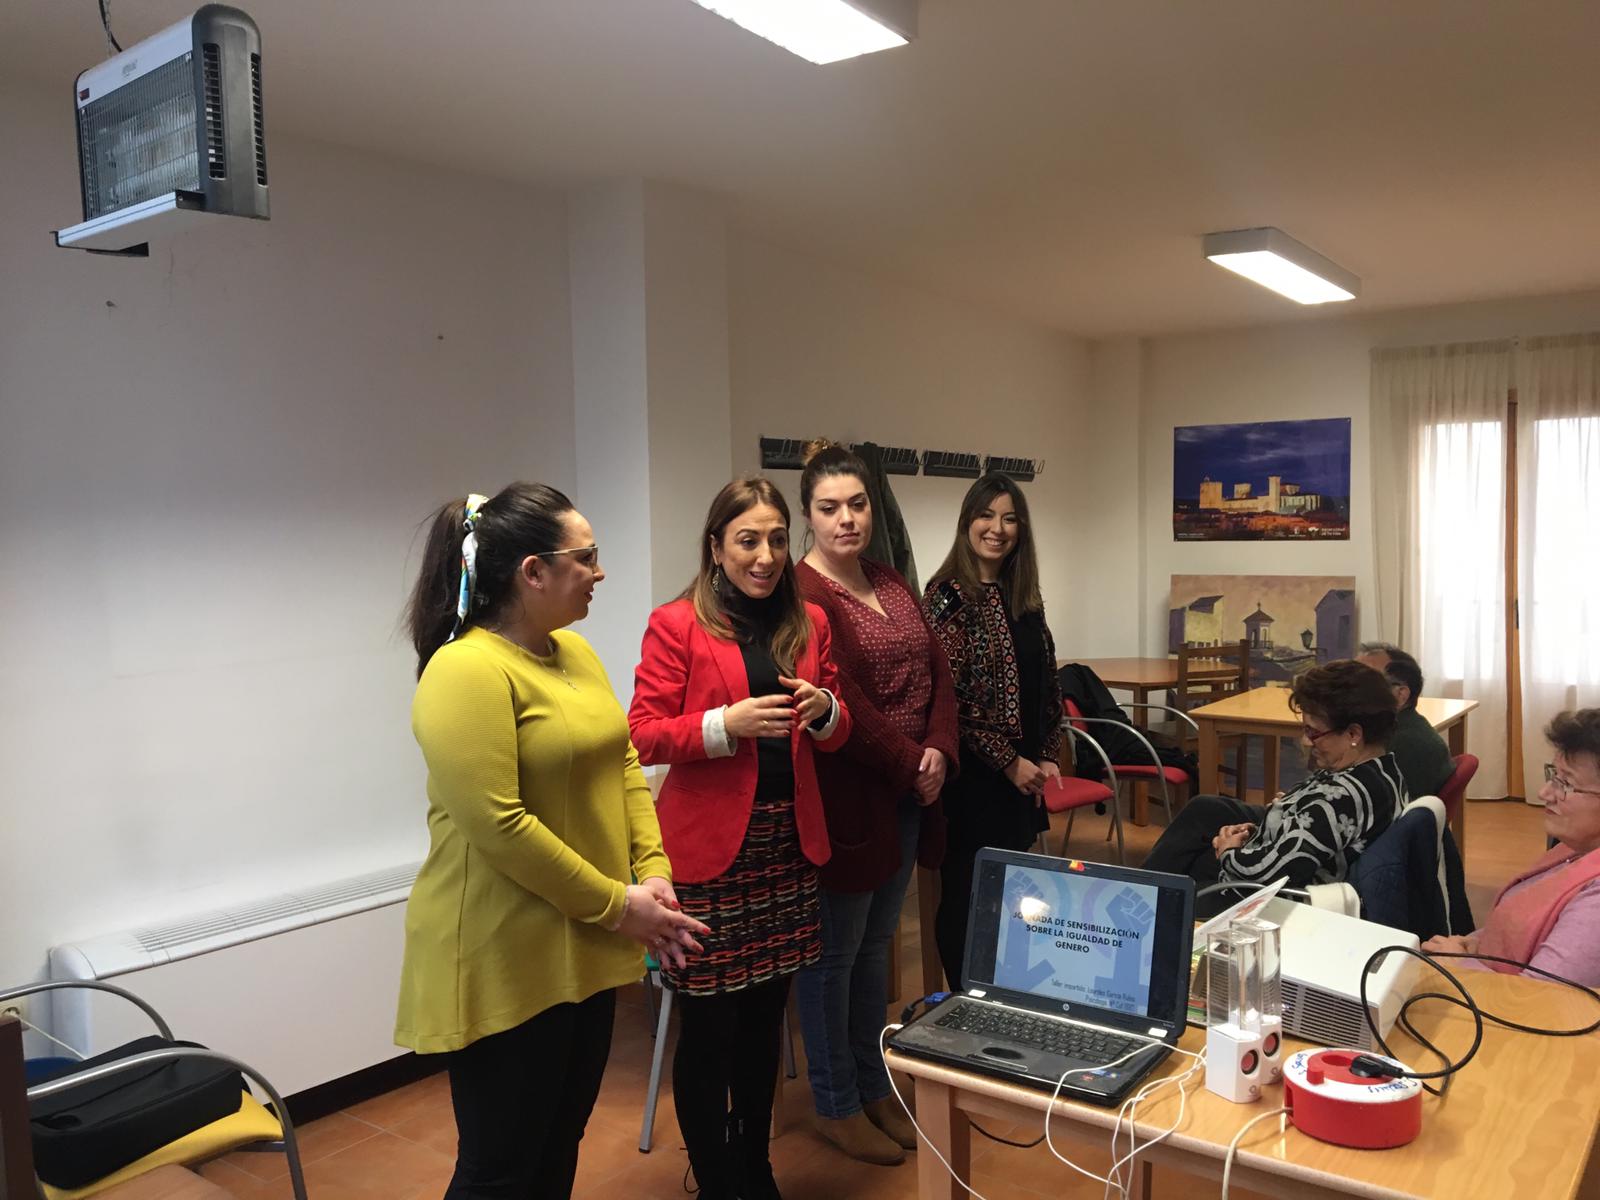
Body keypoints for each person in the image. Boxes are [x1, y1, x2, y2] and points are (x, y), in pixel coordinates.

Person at [396, 484, 708, 1200]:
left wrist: (652, 870)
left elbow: (622, 761)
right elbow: (500, 827)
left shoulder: (575, 653)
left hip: (583, 941)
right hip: (504, 951)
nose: (600, 572)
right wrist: (620, 907)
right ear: (532, 572)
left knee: (557, 1143)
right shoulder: (465, 669)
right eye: (586, 557)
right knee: (500, 1169)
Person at [629, 477, 852, 1200]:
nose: (765, 556)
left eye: (777, 540)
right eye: (748, 540)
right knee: (710, 1031)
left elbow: (837, 726)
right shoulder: (676, 624)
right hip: (710, 858)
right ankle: (717, 1178)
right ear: (716, 547)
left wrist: (825, 709)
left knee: (763, 1025)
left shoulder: (809, 621)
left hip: (787, 849)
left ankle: (755, 1165)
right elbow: (642, 734)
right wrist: (724, 725)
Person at [791, 443, 959, 1166]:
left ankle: (871, 1083)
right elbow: (838, 695)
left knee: (873, 952)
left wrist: (940, 749)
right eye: (829, 507)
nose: (846, 519)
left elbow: (938, 671)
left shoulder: (889, 579)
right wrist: (907, 761)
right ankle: (836, 1102)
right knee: (834, 959)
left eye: (857, 504)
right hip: (850, 800)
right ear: (808, 515)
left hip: (910, 795)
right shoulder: (802, 592)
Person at [922, 471, 1064, 991]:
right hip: (973, 780)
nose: (997, 529)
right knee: (968, 896)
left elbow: (1048, 681)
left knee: (1014, 894)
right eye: (986, 515)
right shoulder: (947, 596)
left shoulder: (1024, 595)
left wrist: (1046, 752)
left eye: (1009, 518)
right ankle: (966, 998)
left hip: (1023, 778)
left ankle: (1005, 994)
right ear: (967, 522)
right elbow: (948, 698)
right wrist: (1007, 761)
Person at [1143, 659, 1408, 917]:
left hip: (1271, 899)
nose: (1306, 741)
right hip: (1277, 861)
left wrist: (1228, 851)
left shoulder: (1341, 799)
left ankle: (1142, 900)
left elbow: (1270, 875)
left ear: (1353, 734)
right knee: (1204, 812)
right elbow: (1312, 832)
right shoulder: (1383, 771)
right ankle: (1144, 891)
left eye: (1313, 732)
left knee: (1176, 887)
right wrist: (1258, 829)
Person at [1423, 709, 1600, 986]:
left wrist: (1461, 963)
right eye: (1553, 776)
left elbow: (1541, 998)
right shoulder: (1577, 847)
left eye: (1565, 783)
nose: (1544, 793)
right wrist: (1477, 944)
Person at [1357, 641, 1454, 799]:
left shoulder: (1403, 745)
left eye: (1365, 681)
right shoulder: (1402, 728)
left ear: (1400, 695)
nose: (1349, 688)